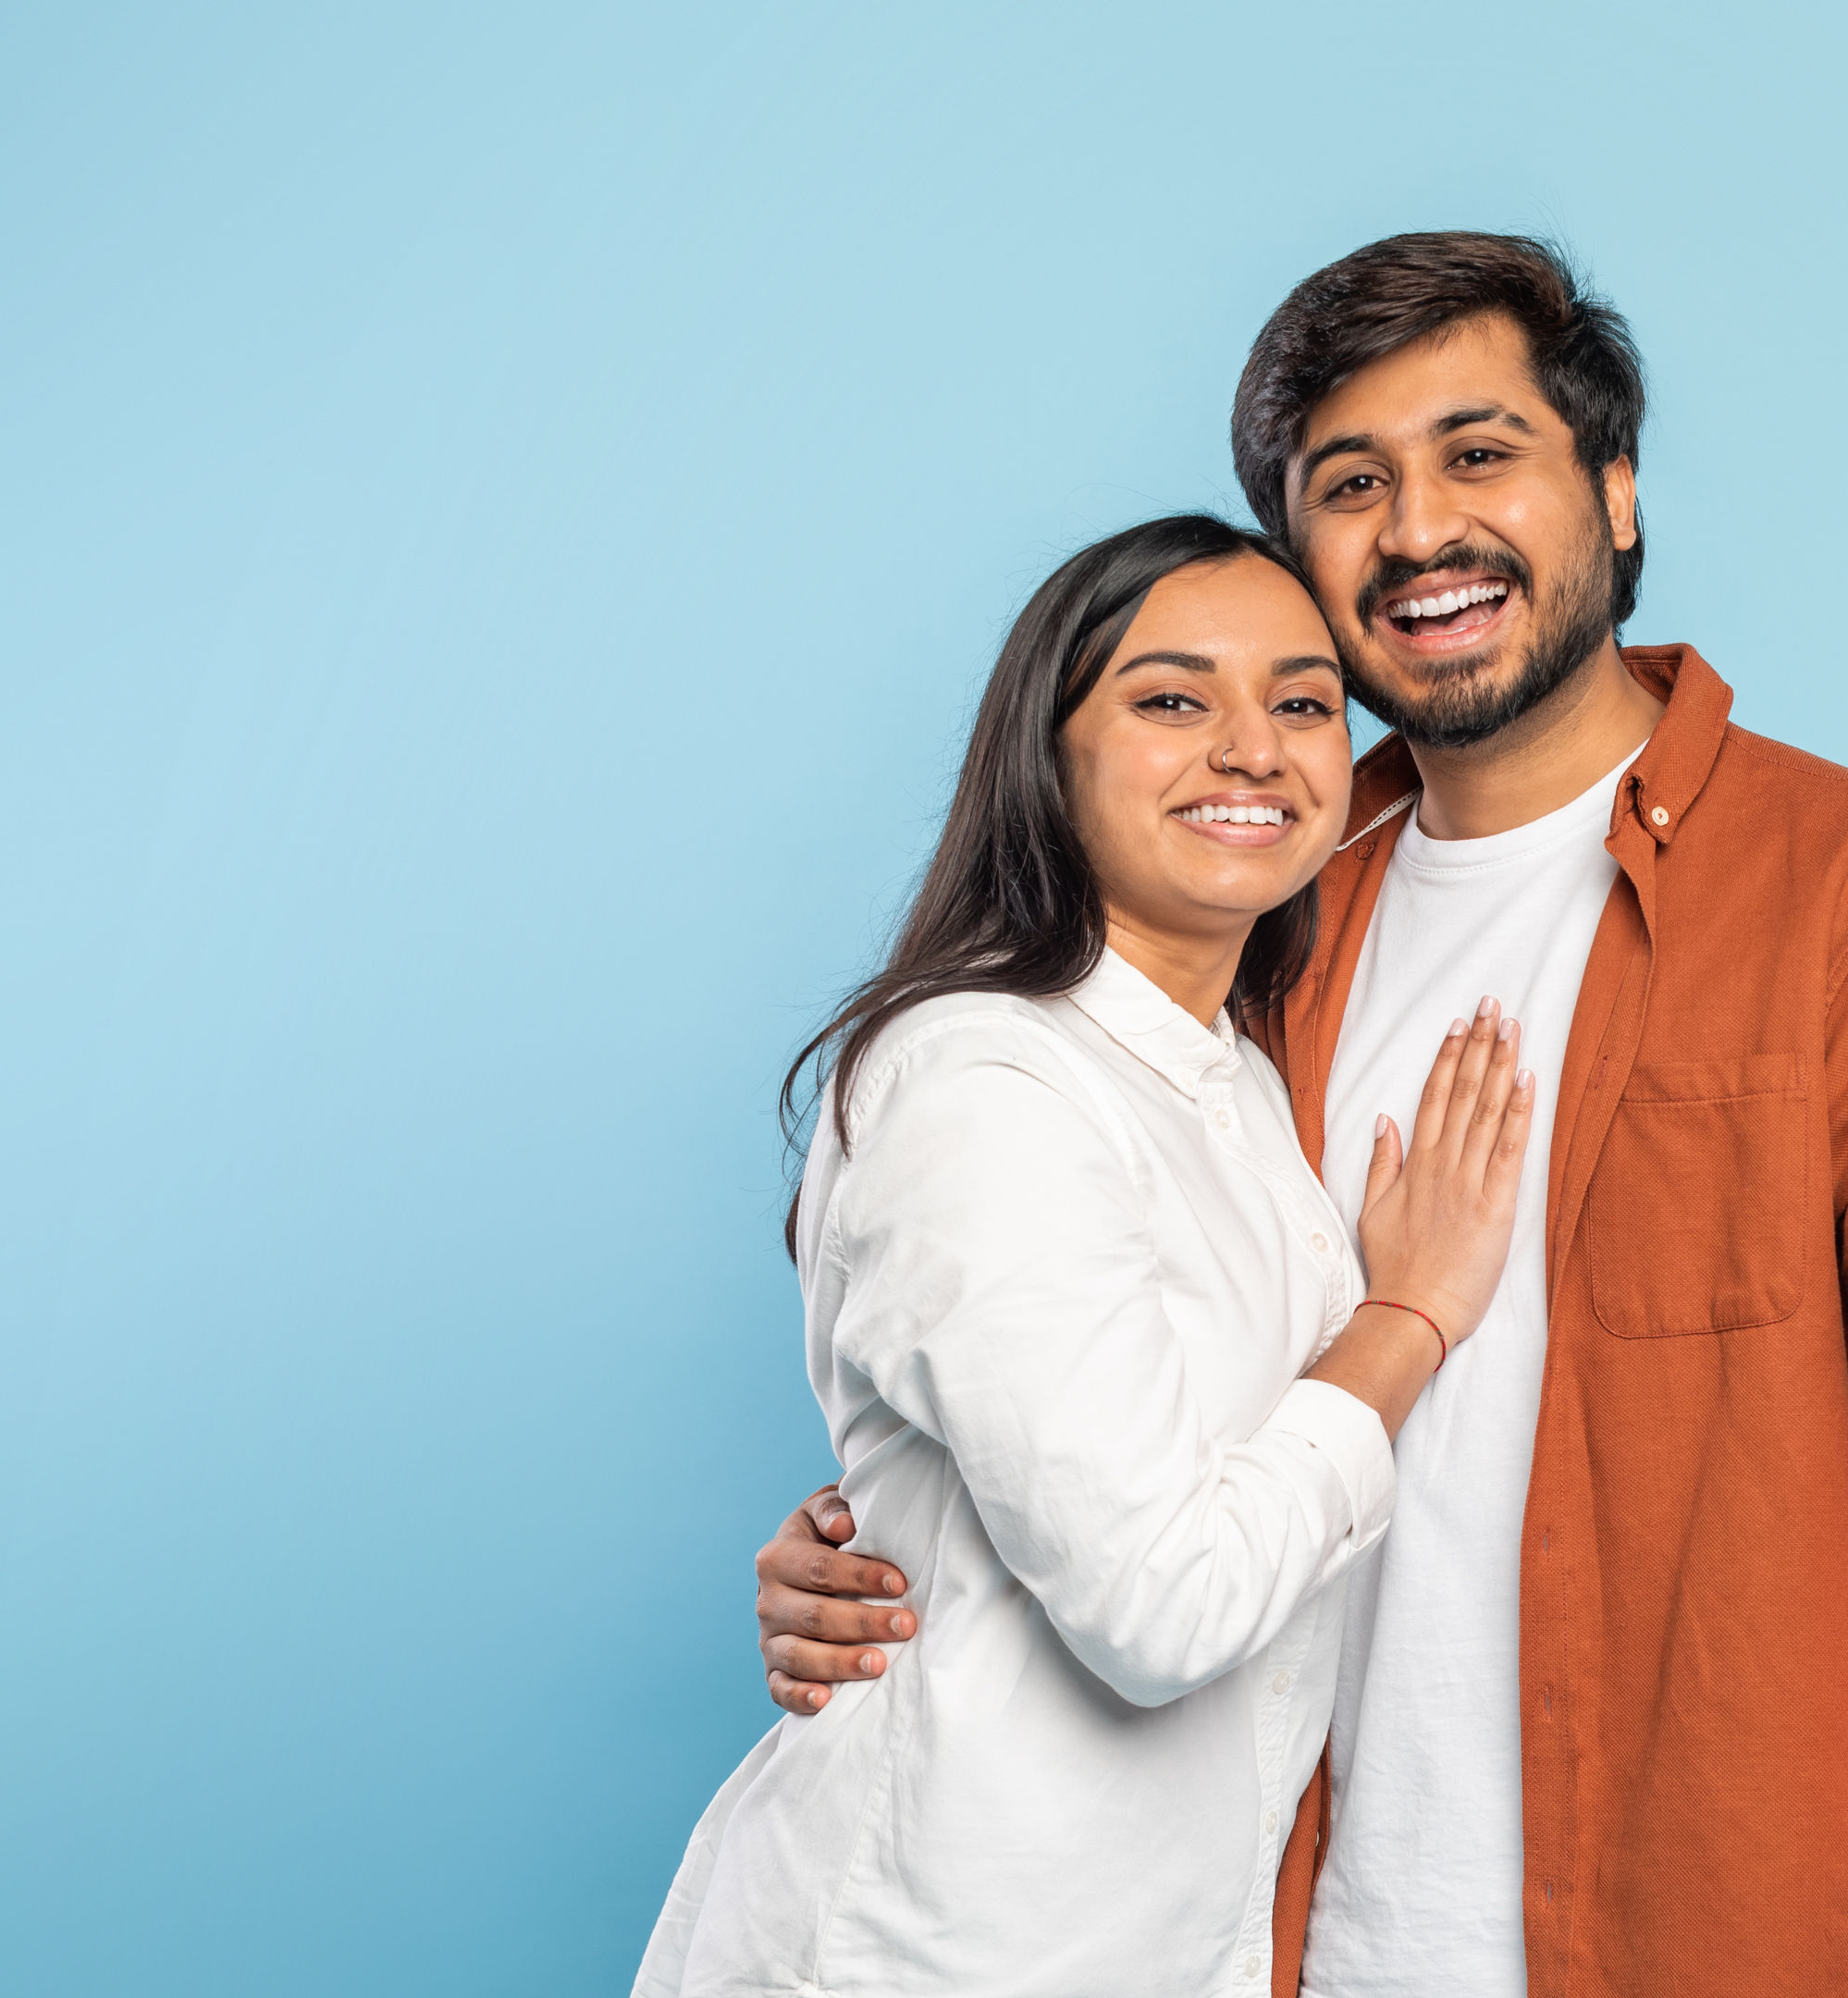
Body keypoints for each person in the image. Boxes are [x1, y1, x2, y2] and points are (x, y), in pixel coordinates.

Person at [751, 236, 1848, 1996]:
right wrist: (900, 1541)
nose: (1419, 529)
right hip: (1283, 1941)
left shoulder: (1846, 879)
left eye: (1480, 453)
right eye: (1350, 485)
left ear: (1612, 496)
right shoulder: (1265, 914)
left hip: (1709, 1929)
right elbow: (1101, 1366)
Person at [635, 514, 1542, 1998]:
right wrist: (1409, 1313)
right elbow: (1161, 1607)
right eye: (1172, 699)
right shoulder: (980, 1078)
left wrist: (890, 1515)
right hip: (936, 1949)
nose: (1253, 748)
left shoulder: (1231, 1079)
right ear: (1047, 757)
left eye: (1303, 703)